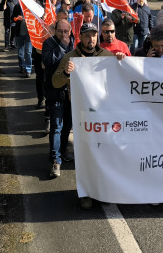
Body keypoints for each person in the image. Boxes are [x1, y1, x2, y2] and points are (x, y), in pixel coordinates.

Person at [52, 23, 116, 207]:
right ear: (80, 37)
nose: (91, 39)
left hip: (103, 115)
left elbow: (122, 74)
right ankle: (86, 192)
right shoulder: (70, 57)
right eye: (87, 36)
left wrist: (120, 59)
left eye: (94, 35)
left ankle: (103, 191)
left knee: (104, 154)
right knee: (85, 155)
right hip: (81, 115)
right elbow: (55, 82)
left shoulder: (107, 56)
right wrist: (65, 72)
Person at [42, 20, 73, 177]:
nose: (63, 34)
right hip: (54, 92)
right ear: (55, 30)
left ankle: (63, 149)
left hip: (70, 93)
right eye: (60, 31)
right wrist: (61, 47)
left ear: (70, 31)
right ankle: (56, 159)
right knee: (56, 127)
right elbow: (48, 61)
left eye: (66, 31)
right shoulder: (48, 43)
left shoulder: (73, 43)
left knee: (67, 125)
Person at [11, 0, 33, 77]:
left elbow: (35, 19)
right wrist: (17, 18)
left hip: (29, 34)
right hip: (19, 33)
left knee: (28, 52)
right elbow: (12, 18)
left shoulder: (31, 7)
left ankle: (28, 69)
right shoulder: (17, 7)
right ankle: (22, 66)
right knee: (20, 53)